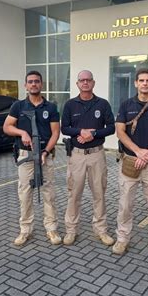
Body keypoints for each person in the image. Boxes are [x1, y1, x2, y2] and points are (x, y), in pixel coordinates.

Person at [112, 68, 148, 258]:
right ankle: (122, 239)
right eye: (141, 80)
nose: (145, 83)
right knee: (125, 205)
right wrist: (138, 151)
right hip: (130, 162)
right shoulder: (125, 105)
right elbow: (120, 132)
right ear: (136, 83)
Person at [3, 71, 61, 246]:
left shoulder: (50, 107)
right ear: (25, 85)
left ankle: (51, 228)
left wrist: (45, 152)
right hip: (25, 156)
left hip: (45, 155)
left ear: (41, 84)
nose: (33, 84)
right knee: (25, 194)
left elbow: (55, 133)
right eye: (30, 82)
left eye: (37, 81)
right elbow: (7, 127)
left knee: (48, 193)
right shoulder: (18, 106)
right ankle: (25, 229)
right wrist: (22, 133)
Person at [61, 70, 115, 246]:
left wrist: (94, 133)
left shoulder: (103, 104)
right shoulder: (70, 105)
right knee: (74, 194)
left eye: (88, 80)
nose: (85, 83)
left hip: (97, 155)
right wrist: (80, 132)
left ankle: (101, 230)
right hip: (77, 156)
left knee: (99, 194)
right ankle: (71, 230)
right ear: (77, 84)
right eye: (82, 80)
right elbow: (65, 128)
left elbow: (111, 128)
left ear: (93, 83)